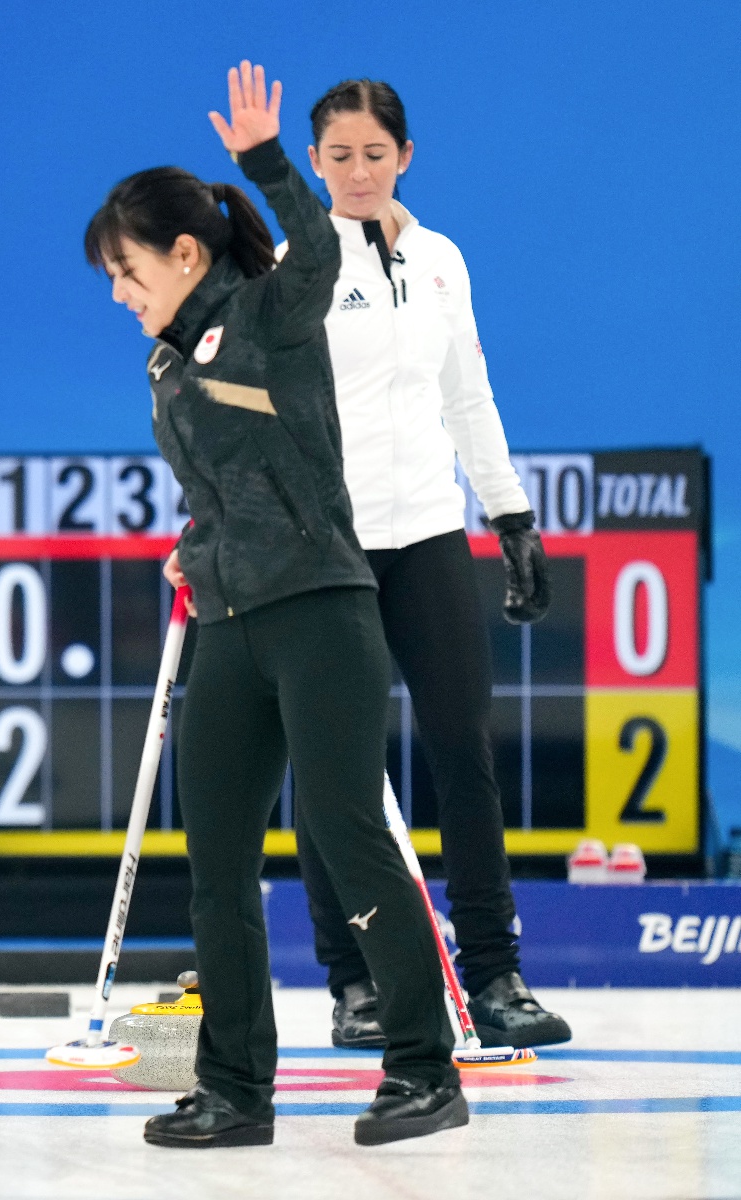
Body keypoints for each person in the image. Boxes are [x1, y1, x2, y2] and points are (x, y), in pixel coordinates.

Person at [96, 63, 464, 1148]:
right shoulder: (168, 367)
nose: (119, 293)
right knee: (213, 863)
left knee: (347, 835)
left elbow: (317, 248)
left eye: (124, 271)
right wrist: (195, 546)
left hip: (319, 614)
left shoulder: (275, 311)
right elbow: (234, 483)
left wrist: (262, 159)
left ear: (182, 253)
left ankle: (421, 1068)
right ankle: (233, 1089)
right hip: (228, 623)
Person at [293, 79, 569, 1052]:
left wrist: (511, 515)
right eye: (337, 157)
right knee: (340, 769)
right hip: (328, 547)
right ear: (313, 164)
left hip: (427, 536)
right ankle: (356, 982)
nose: (358, 173)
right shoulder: (295, 260)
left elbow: (467, 396)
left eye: (374, 153)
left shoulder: (442, 260)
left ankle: (493, 975)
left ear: (404, 154)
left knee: (464, 752)